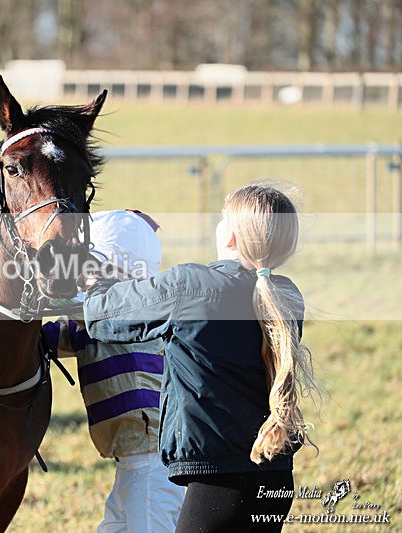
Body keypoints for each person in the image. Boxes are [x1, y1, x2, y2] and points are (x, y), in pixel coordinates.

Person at [83, 183, 319, 532]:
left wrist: (96, 268)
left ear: (232, 237)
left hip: (218, 486)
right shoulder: (286, 296)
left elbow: (100, 317)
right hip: (276, 478)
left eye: (224, 219)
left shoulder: (190, 286)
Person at [42, 210, 184, 533]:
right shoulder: (89, 321)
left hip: (152, 460)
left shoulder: (133, 311)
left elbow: (91, 313)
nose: (80, 274)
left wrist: (49, 295)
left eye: (92, 265)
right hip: (131, 461)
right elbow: (52, 337)